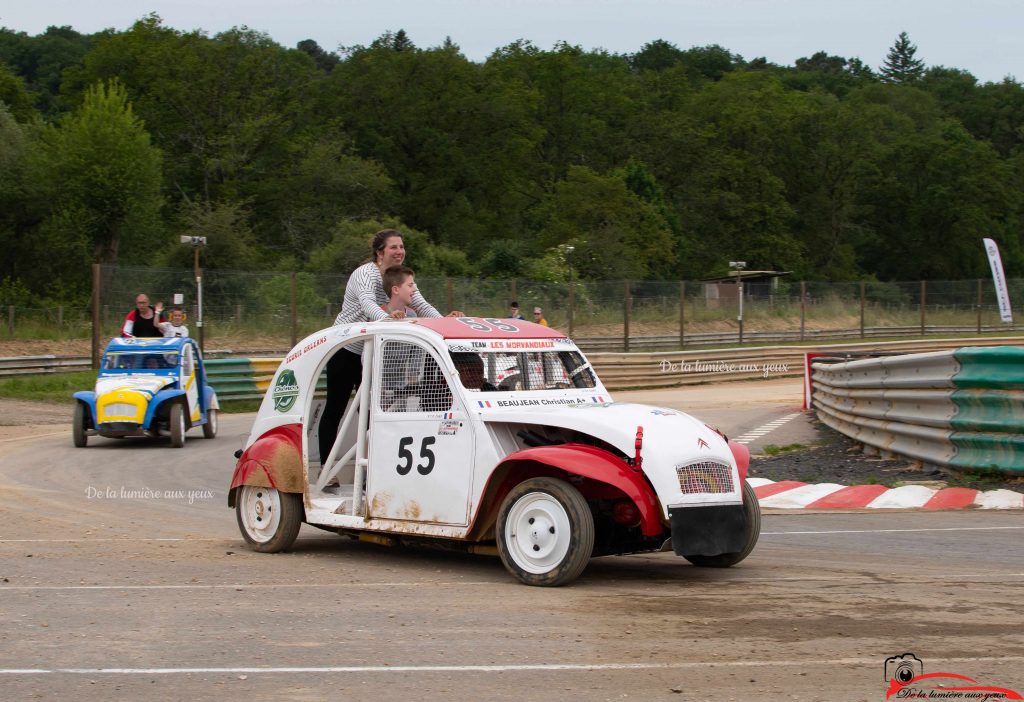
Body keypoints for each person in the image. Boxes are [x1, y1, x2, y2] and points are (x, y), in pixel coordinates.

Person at [318, 229, 463, 465]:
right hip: (345, 349)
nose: (400, 251)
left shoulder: (399, 277)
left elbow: (421, 304)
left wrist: (445, 323)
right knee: (336, 408)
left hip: (372, 352)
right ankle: (327, 465)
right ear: (379, 252)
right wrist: (388, 319)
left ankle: (371, 471)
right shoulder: (365, 273)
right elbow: (367, 304)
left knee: (370, 414)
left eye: (402, 247)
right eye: (393, 247)